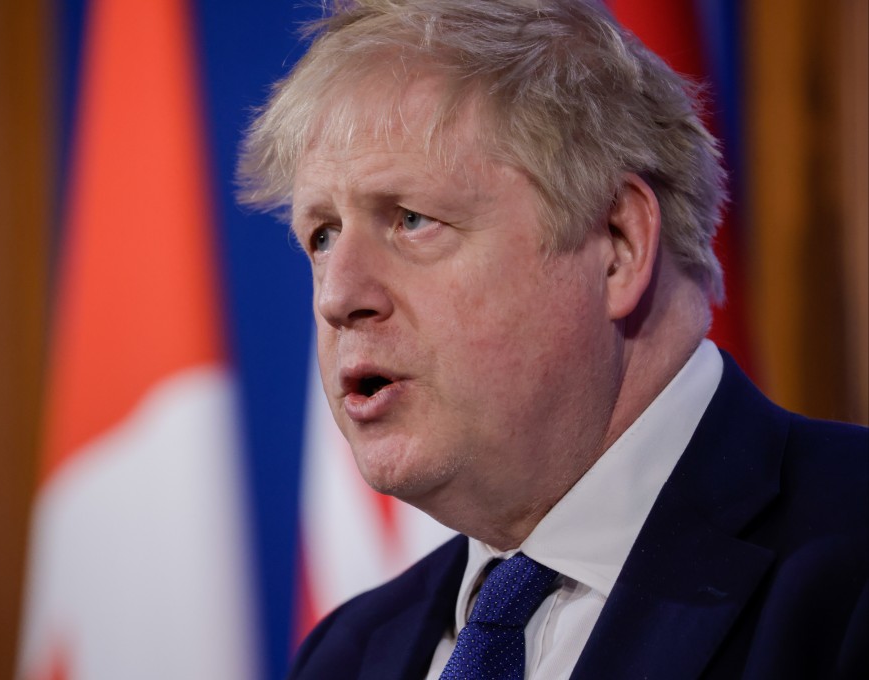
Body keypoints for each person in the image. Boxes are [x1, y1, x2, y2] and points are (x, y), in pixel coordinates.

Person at [237, 1, 868, 678]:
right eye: (322, 236)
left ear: (618, 245)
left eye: (412, 219)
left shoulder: (850, 556)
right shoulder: (348, 654)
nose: (336, 296)